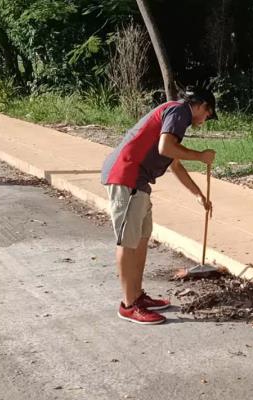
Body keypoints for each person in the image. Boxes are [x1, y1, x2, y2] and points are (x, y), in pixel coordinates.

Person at [100, 87, 218, 325]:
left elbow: (174, 163)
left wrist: (197, 194)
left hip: (138, 182)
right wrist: (200, 156)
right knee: (128, 241)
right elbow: (166, 148)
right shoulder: (179, 111)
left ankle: (137, 295)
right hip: (127, 177)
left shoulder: (175, 118)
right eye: (208, 114)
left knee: (141, 239)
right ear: (201, 105)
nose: (205, 120)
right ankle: (128, 305)